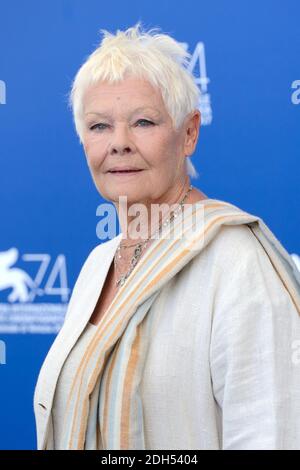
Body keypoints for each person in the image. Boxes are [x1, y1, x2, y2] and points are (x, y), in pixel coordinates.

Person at [33, 22, 300, 450]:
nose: (119, 144)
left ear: (189, 132)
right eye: (99, 126)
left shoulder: (237, 262)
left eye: (143, 122)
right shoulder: (98, 264)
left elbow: (272, 435)